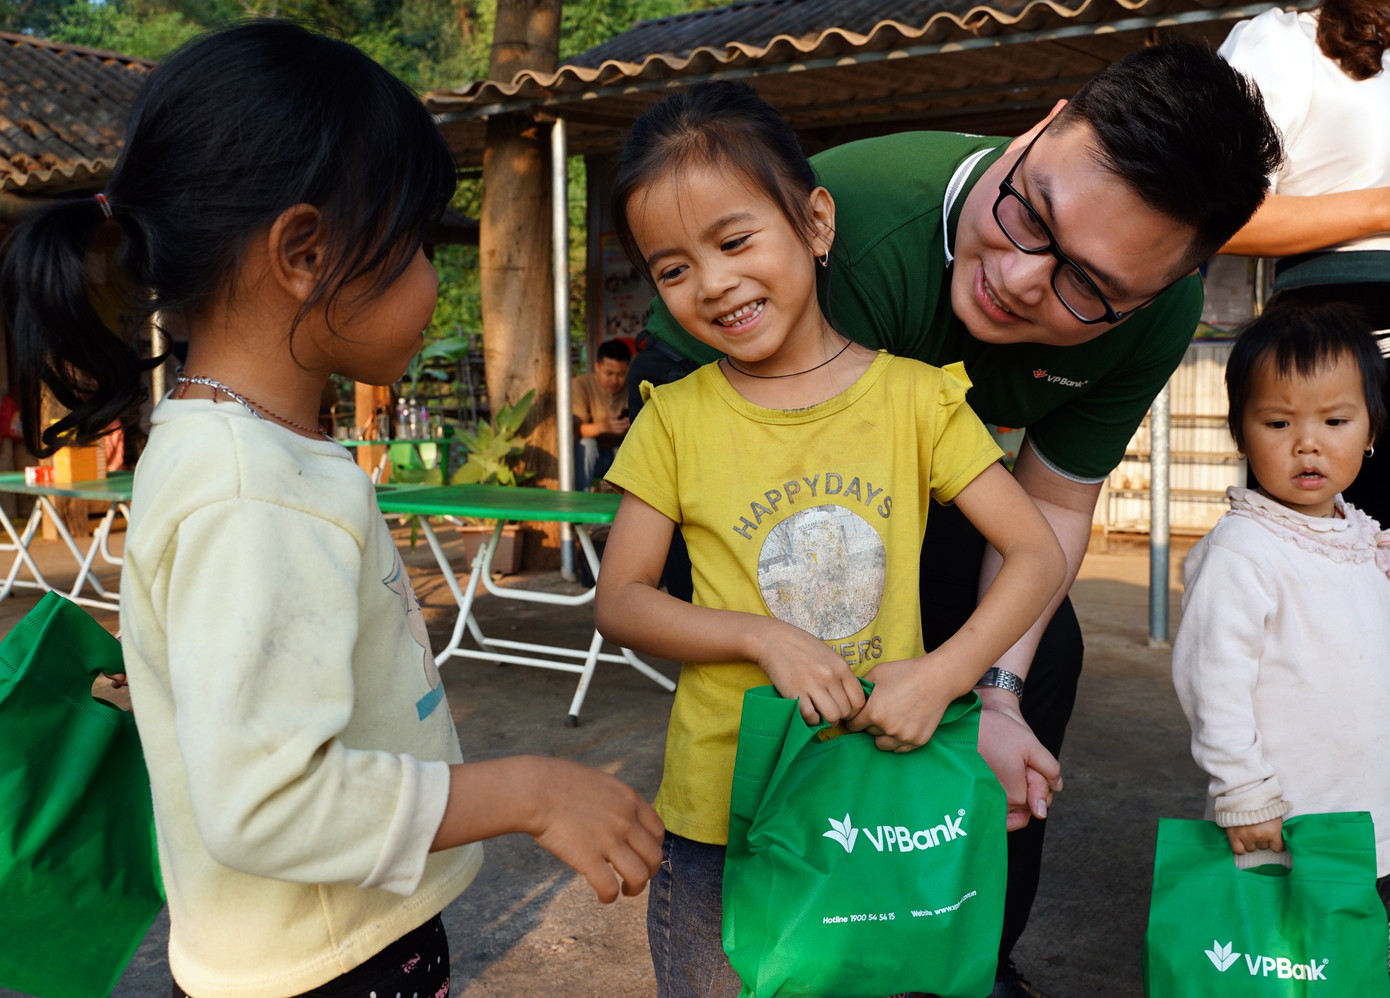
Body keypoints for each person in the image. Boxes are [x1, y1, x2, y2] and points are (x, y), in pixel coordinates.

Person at [1, 22, 663, 998]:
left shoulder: (212, 442)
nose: (433, 281)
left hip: (305, 945)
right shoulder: (255, 489)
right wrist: (527, 788)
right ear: (304, 252)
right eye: (409, 250)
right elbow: (269, 801)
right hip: (323, 966)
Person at [625, 41, 1282, 998]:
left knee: (1038, 654)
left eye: (1086, 287)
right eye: (1031, 214)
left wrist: (989, 694)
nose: (1019, 277)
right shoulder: (852, 234)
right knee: (856, 641)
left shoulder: (1153, 317)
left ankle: (959, 944)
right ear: (1042, 127)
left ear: (1156, 291)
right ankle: (809, 902)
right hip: (750, 441)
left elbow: (1054, 504)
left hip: (922, 464)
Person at [594, 80, 1068, 998]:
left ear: (815, 222)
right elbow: (622, 600)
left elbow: (1037, 552)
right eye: (673, 268)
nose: (715, 282)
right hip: (717, 815)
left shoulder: (917, 398)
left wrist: (945, 674)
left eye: (734, 241)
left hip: (871, 799)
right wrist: (759, 635)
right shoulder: (673, 419)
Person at [1170, 297, 1390, 920]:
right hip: (1285, 827)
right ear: (1239, 430)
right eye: (1277, 424)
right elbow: (1212, 682)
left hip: (1369, 824)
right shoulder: (1244, 552)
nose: (1307, 446)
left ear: (1372, 429)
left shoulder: (1363, 542)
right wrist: (1242, 792)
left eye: (1335, 421)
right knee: (1288, 969)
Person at [1217, 0, 1390, 526]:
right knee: (1326, 575)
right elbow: (1217, 212)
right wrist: (1382, 207)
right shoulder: (1285, 42)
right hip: (1340, 342)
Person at [573, 338, 632, 489]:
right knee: (586, 444)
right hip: (591, 457)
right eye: (609, 373)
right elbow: (575, 430)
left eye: (621, 374)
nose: (614, 380)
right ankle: (579, 500)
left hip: (621, 457)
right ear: (597, 367)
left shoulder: (635, 388)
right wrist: (603, 427)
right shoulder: (580, 385)